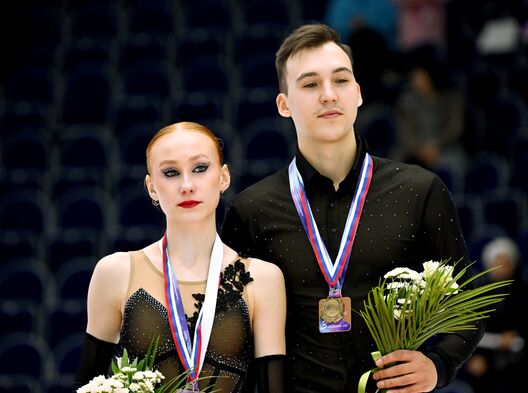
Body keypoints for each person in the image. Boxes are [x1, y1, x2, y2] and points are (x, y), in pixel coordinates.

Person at [221, 23, 484, 393]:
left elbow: (467, 307)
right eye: (310, 84)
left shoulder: (420, 191)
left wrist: (438, 365)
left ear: (357, 93)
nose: (328, 95)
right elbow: (234, 335)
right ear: (284, 104)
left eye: (341, 81)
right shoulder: (251, 211)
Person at [74, 122, 286, 393]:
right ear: (151, 187)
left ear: (223, 178)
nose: (186, 185)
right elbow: (86, 386)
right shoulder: (114, 272)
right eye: (171, 172)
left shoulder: (263, 279)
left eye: (200, 168)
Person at [461, 237, 528, 393]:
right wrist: (476, 356)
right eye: (497, 262)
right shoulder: (479, 292)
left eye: (506, 262)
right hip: (488, 354)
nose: (501, 267)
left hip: (523, 352)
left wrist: (517, 334)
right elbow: (470, 328)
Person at [395, 47, 466, 170]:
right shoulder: (407, 101)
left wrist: (435, 146)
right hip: (415, 152)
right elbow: (406, 132)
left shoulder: (450, 99)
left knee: (450, 163)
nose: (414, 80)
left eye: (419, 76)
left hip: (444, 148)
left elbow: (454, 128)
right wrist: (421, 150)